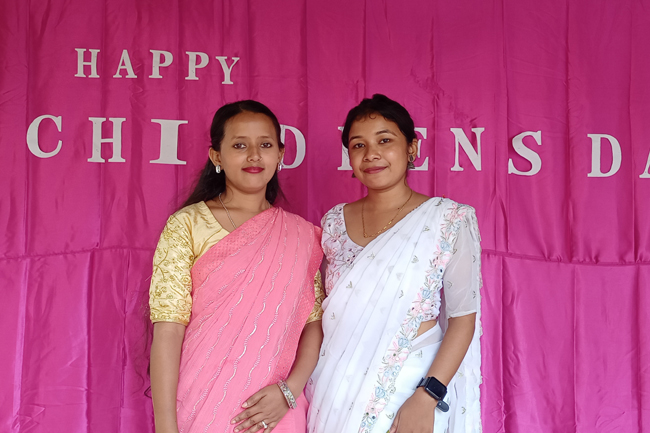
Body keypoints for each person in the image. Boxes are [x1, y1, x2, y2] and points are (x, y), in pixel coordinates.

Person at [306, 94, 482, 433]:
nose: (371, 154)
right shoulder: (333, 222)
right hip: (333, 388)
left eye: (384, 140)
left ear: (411, 148)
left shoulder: (449, 219)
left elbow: (462, 320)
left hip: (410, 387)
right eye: (358, 145)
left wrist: (428, 397)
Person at [149, 100, 324, 433]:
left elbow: (313, 325)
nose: (254, 156)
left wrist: (288, 392)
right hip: (201, 404)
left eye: (265, 145)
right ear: (217, 156)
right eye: (240, 145)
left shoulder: (299, 235)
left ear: (281, 154)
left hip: (275, 413)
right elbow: (168, 330)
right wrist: (165, 428)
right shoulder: (188, 225)